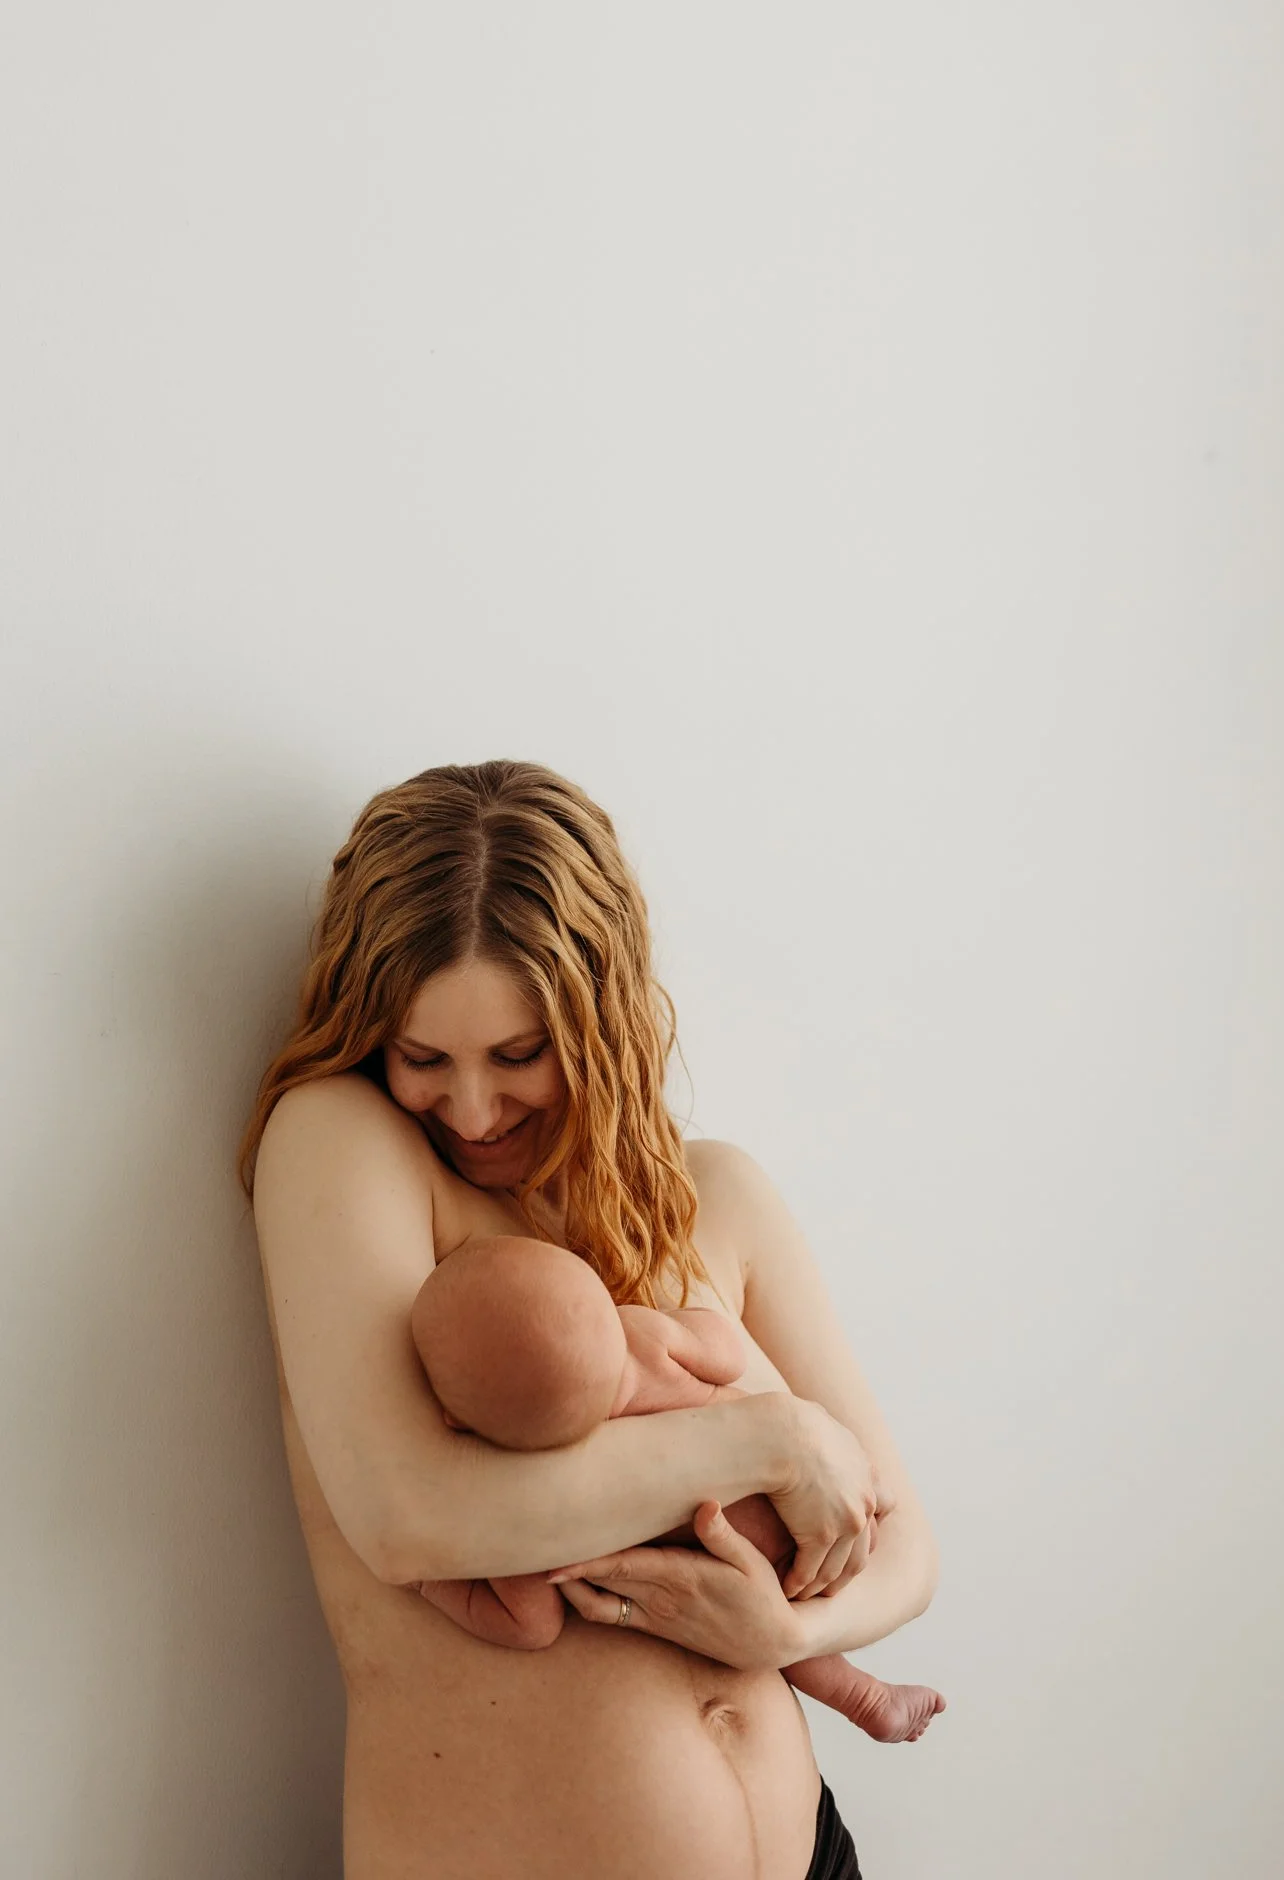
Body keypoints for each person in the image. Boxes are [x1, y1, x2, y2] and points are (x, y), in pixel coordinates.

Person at [240, 758, 941, 1880]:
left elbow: (904, 1547)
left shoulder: (713, 1198)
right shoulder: (343, 1143)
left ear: (602, 1020)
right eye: (425, 1057)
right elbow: (409, 1513)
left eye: (519, 1056)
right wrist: (769, 1439)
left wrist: (787, 1638)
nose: (470, 1108)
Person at [407, 1230, 945, 1744]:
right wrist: (680, 1323)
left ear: (455, 1420)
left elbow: (532, 1625)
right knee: (779, 1609)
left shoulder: (528, 1510)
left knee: (783, 1633)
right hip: (821, 1519)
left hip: (762, 1563)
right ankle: (869, 1672)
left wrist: (431, 1583)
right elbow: (727, 1350)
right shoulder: (642, 1344)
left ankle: (864, 1697)